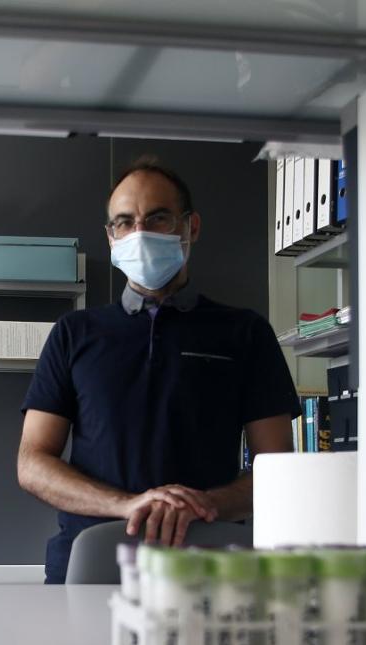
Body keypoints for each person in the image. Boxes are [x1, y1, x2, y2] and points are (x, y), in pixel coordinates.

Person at [18, 156, 299, 583]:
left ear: (193, 227)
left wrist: (197, 505)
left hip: (205, 571)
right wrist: (128, 505)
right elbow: (33, 463)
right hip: (89, 568)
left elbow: (277, 468)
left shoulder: (245, 333)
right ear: (110, 237)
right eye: (125, 222)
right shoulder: (74, 334)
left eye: (158, 218)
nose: (140, 233)